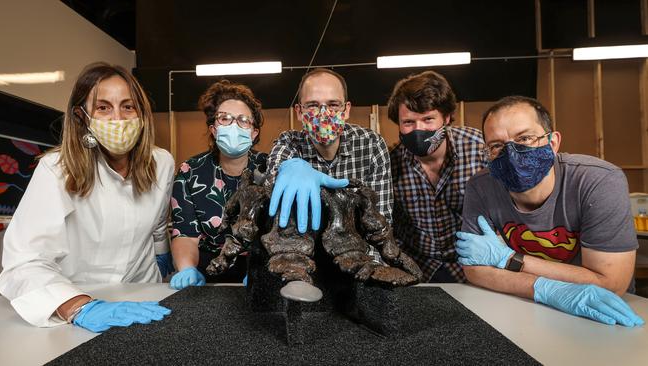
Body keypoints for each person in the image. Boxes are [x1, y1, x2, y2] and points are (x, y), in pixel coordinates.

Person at [0, 62, 174, 331]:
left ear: (142, 113)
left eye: (128, 106)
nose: (118, 118)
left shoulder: (162, 162)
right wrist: (80, 306)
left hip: (144, 296)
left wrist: (165, 266)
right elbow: (24, 262)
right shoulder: (57, 169)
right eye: (103, 107)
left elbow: (159, 228)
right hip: (78, 303)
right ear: (82, 116)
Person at [455, 96, 644, 327]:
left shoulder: (599, 180)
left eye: (525, 138)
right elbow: (474, 270)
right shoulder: (481, 186)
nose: (512, 152)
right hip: (520, 308)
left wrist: (509, 260)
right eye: (497, 146)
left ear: (553, 143)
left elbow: (611, 283)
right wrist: (544, 290)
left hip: (603, 312)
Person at [267, 68, 392, 247]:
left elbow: (381, 222)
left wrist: (367, 267)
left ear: (346, 110)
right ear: (299, 112)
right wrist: (290, 167)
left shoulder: (371, 144)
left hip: (359, 257)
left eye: (333, 104)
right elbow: (274, 169)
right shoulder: (289, 142)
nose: (324, 114)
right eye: (313, 105)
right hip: (307, 257)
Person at [387, 70, 486, 283]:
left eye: (428, 119)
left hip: (475, 264)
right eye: (408, 122)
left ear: (447, 118)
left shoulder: (480, 148)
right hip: (418, 267)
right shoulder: (389, 162)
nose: (418, 129)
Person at [169, 80, 266, 290]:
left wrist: (265, 272)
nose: (233, 125)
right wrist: (186, 268)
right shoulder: (190, 171)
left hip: (260, 268)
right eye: (225, 119)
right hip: (207, 272)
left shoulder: (270, 168)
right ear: (214, 129)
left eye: (243, 120)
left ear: (254, 132)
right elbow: (185, 234)